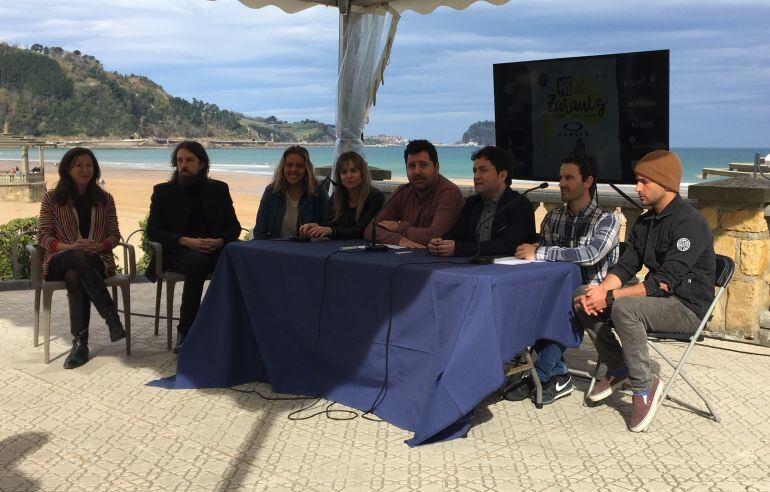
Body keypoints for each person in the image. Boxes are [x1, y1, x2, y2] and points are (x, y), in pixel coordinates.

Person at [574, 150, 715, 432]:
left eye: (644, 182)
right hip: (657, 301)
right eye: (637, 181)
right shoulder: (646, 220)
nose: (637, 188)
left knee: (626, 308)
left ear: (667, 184)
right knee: (581, 295)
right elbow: (626, 266)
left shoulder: (690, 224)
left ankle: (644, 385)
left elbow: (662, 282)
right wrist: (599, 291)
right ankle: (618, 367)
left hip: (687, 308)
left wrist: (611, 297)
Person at [505, 151, 620, 405]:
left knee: (566, 303)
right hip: (554, 292)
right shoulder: (553, 217)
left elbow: (590, 254)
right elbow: (541, 263)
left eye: (569, 177)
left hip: (592, 294)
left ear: (588, 181)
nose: (562, 183)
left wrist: (540, 251)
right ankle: (552, 373)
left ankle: (542, 373)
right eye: (560, 177)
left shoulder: (607, 220)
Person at [146, 141, 242, 353]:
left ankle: (233, 327)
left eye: (189, 160)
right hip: (178, 251)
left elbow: (234, 226)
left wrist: (220, 241)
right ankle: (186, 331)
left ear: (202, 164)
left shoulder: (218, 189)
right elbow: (153, 231)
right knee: (197, 262)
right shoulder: (163, 191)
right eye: (179, 161)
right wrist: (184, 240)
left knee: (239, 258)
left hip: (214, 247)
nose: (183, 165)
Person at [37, 147, 125, 369]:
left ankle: (80, 344)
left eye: (89, 165)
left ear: (95, 169)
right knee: (75, 258)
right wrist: (70, 246)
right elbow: (43, 236)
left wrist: (100, 245)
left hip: (95, 259)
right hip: (59, 258)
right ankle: (111, 317)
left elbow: (115, 235)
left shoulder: (105, 199)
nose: (85, 169)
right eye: (79, 165)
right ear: (67, 168)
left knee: (75, 273)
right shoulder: (52, 199)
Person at [428, 145, 535, 257]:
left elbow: (508, 246)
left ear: (502, 175)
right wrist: (440, 243)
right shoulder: (472, 203)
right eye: (474, 171)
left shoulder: (519, 205)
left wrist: (460, 248)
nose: (476, 176)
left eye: (483, 171)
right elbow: (457, 234)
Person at [364, 139, 464, 248]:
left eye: (423, 165)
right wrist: (399, 240)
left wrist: (400, 227)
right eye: (412, 166)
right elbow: (371, 230)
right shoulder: (403, 191)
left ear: (437, 167)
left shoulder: (449, 193)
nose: (417, 172)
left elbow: (434, 236)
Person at [299, 151, 385, 239]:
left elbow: (362, 230)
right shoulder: (337, 196)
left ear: (362, 173)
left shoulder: (376, 197)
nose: (348, 176)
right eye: (343, 172)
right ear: (339, 176)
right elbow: (326, 224)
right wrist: (315, 227)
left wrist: (332, 231)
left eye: (353, 171)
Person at [253, 145, 327, 239]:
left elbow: (327, 227)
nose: (293, 170)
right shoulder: (271, 191)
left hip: (309, 249)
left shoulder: (318, 192)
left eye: (299, 166)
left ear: (306, 169)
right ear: (283, 167)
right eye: (289, 165)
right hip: (276, 249)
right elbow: (260, 231)